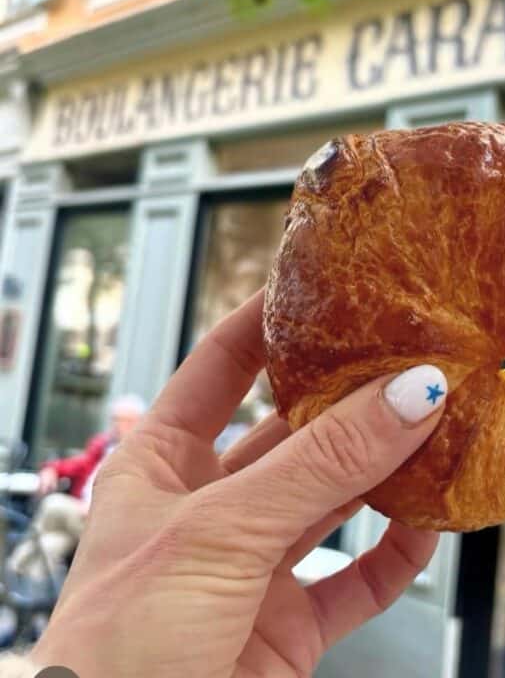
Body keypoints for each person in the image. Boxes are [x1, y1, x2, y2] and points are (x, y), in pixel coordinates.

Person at [0, 290, 447, 678]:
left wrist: (78, 656)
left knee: (53, 522)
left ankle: (19, 591)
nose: (120, 423)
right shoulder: (107, 448)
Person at [8, 395, 146, 583]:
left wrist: (94, 509)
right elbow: (78, 465)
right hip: (79, 517)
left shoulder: (141, 456)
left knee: (52, 503)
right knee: (52, 543)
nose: (114, 425)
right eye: (113, 419)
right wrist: (51, 469)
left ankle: (11, 572)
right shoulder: (104, 446)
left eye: (119, 420)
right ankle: (26, 591)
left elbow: (132, 498)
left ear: (135, 422)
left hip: (103, 525)